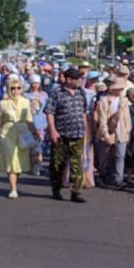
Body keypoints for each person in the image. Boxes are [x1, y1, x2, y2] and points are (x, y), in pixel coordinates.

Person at [46, 68, 90, 203]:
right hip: (61, 134)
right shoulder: (57, 93)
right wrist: (53, 130)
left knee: (77, 163)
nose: (80, 81)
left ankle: (76, 192)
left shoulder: (81, 92)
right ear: (69, 79)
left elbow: (83, 111)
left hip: (77, 133)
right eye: (78, 79)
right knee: (57, 163)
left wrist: (85, 128)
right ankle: (56, 189)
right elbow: (50, 112)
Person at [0, 77, 37, 199]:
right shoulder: (3, 103)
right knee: (11, 159)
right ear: (9, 89)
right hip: (7, 133)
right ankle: (13, 189)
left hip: (22, 132)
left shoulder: (26, 102)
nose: (15, 90)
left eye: (18, 88)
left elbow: (29, 119)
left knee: (20, 162)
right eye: (13, 88)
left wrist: (35, 132)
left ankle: (15, 181)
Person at [94, 78, 131, 189]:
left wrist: (128, 131)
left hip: (121, 132)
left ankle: (118, 179)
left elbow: (127, 118)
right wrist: (105, 134)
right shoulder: (104, 101)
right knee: (104, 156)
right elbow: (102, 120)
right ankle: (102, 175)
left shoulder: (124, 101)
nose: (121, 90)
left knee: (120, 156)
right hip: (108, 131)